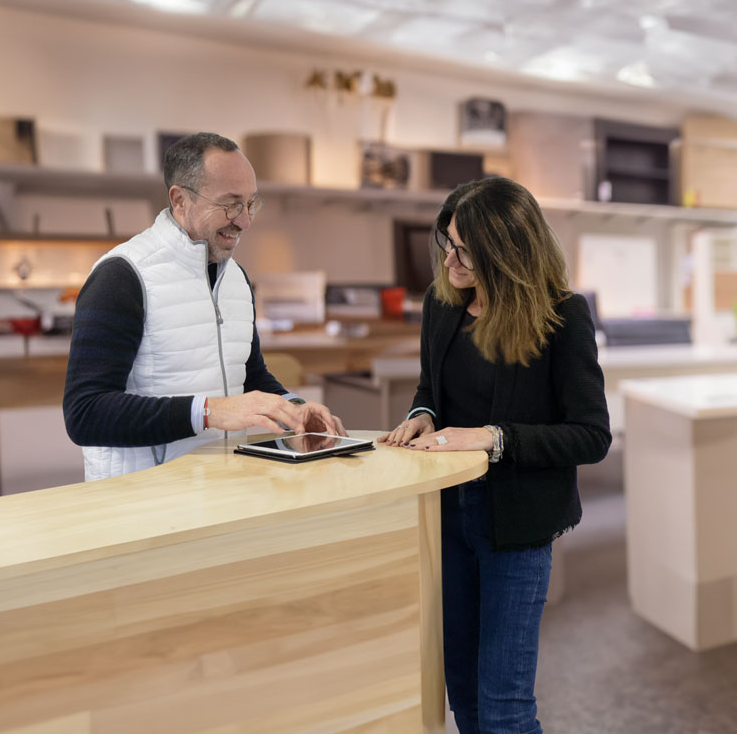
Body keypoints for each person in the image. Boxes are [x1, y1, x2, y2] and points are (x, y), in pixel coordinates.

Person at [378, 176, 610, 733]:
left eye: (464, 250)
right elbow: (430, 388)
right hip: (447, 516)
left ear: (506, 251)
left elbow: (591, 435)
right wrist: (422, 414)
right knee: (463, 692)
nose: (449, 259)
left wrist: (493, 436)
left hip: (517, 525)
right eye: (448, 243)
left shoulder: (562, 316)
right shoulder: (442, 304)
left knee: (505, 707)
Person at [64, 131, 343, 480]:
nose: (245, 220)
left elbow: (249, 375)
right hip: (142, 499)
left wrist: (295, 410)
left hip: (223, 489)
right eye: (230, 204)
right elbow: (85, 414)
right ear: (180, 200)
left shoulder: (236, 278)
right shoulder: (122, 275)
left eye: (251, 204)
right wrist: (210, 412)